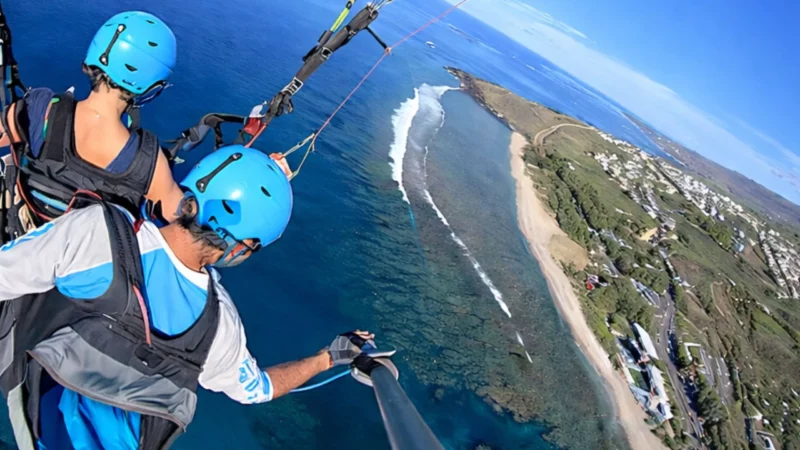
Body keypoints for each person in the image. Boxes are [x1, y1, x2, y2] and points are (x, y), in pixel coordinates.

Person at [0, 145, 382, 449]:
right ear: (243, 249)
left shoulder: (101, 231)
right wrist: (328, 357)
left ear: (190, 194)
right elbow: (257, 389)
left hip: (39, 414)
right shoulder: (220, 324)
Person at [0, 10, 290, 243]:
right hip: (77, 282)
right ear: (152, 88)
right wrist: (265, 174)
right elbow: (192, 224)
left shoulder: (40, 108)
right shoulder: (147, 162)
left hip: (15, 241)